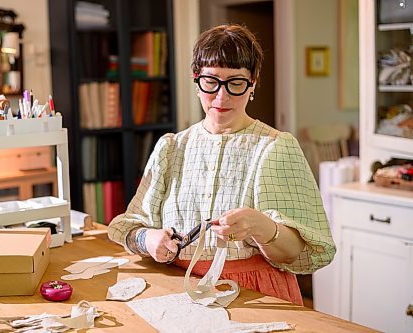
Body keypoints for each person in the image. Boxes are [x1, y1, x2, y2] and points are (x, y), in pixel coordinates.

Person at [107, 24, 336, 305]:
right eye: (211, 81)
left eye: (236, 83)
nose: (221, 96)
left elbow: (296, 254)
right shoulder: (172, 147)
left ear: (253, 82)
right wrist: (148, 240)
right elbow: (128, 228)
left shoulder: (275, 147)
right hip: (178, 291)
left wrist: (263, 228)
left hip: (254, 294)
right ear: (196, 79)